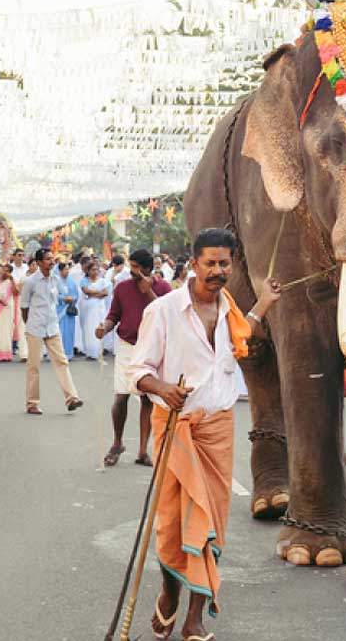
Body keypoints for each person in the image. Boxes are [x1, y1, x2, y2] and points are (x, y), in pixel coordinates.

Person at [130, 228, 282, 641]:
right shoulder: (163, 311)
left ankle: (194, 621)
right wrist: (162, 388)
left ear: (232, 265)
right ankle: (169, 594)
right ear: (192, 264)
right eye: (209, 263)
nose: (217, 271)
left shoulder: (230, 308)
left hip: (217, 428)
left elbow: (238, 338)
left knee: (211, 523)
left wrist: (264, 305)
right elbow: (137, 370)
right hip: (176, 428)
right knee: (172, 526)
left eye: (224, 264)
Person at [96, 249, 173, 468]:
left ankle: (142, 451)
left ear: (148, 269)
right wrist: (104, 327)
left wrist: (148, 292)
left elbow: (167, 318)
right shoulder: (122, 288)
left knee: (148, 399)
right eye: (131, 268)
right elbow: (114, 316)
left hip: (152, 348)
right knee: (121, 397)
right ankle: (117, 443)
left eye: (137, 268)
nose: (132, 272)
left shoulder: (163, 288)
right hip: (127, 346)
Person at [19, 249, 83, 415]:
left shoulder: (55, 279)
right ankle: (32, 403)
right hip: (35, 327)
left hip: (53, 326)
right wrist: (30, 324)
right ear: (39, 263)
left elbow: (59, 297)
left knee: (61, 362)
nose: (51, 262)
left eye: (52, 259)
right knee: (33, 366)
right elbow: (24, 307)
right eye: (47, 259)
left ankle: (72, 398)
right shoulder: (30, 282)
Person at [79, 262, 109, 361]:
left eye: (97, 270)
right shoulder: (84, 280)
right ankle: (90, 352)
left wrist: (93, 294)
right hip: (88, 308)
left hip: (99, 308)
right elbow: (86, 291)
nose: (95, 272)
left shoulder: (102, 281)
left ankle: (99, 350)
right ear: (88, 271)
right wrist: (98, 293)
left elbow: (105, 293)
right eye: (93, 270)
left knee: (99, 326)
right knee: (89, 328)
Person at [0, 265, 19, 361]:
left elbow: (16, 293)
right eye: (3, 270)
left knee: (7, 331)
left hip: (8, 308)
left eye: (7, 271)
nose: (4, 273)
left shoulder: (11, 281)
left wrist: (12, 280)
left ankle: (7, 355)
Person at [56, 262, 79, 359]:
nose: (67, 271)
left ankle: (68, 353)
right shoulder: (56, 281)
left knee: (69, 332)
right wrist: (62, 299)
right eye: (65, 269)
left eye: (68, 269)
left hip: (69, 311)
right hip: (59, 310)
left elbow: (76, 294)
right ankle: (58, 353)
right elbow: (53, 294)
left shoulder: (71, 281)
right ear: (60, 271)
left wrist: (72, 299)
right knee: (59, 332)